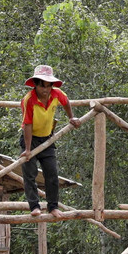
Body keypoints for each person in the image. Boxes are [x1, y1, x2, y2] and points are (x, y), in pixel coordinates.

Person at [19, 64, 80, 217]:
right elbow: (27, 124)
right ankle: (34, 206)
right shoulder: (29, 100)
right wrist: (27, 150)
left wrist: (71, 117)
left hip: (47, 139)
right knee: (30, 174)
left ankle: (53, 206)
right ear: (35, 85)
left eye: (48, 86)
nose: (45, 89)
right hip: (30, 139)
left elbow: (66, 102)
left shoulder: (57, 94)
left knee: (52, 174)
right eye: (42, 86)